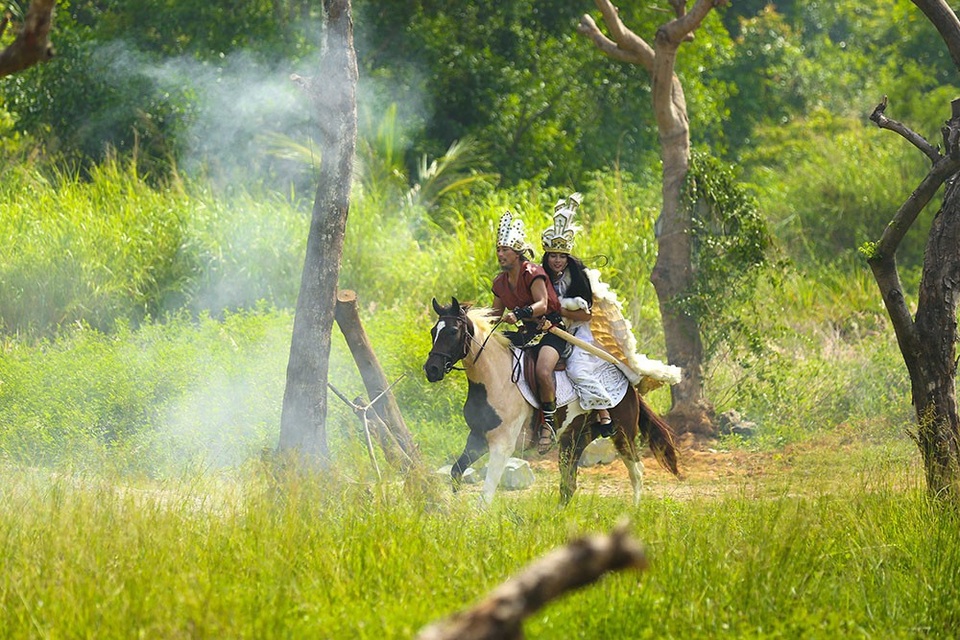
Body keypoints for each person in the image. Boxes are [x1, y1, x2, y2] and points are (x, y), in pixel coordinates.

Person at [491, 211, 570, 454]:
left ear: (517, 252)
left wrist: (519, 313)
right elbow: (494, 315)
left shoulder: (533, 273)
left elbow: (542, 305)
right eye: (498, 250)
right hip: (526, 333)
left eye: (505, 250)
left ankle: (549, 424)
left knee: (543, 370)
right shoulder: (500, 282)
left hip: (552, 331)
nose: (500, 254)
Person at [540, 192, 615, 436]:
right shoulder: (540, 276)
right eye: (553, 256)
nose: (557, 261)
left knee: (576, 369)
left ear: (568, 257)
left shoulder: (578, 277)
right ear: (547, 256)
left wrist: (559, 310)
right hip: (549, 330)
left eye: (562, 256)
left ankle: (604, 414)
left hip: (578, 332)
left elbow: (587, 316)